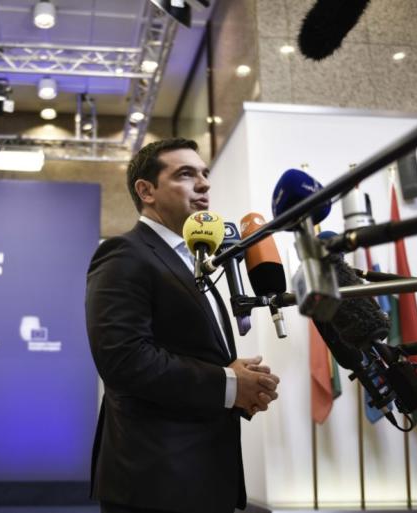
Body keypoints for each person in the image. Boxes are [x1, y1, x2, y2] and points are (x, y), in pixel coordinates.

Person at [85, 138, 281, 513]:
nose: (204, 183)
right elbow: (123, 360)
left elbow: (190, 353)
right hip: (154, 484)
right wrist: (228, 384)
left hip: (203, 478)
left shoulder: (193, 260)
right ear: (147, 191)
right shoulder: (124, 254)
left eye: (204, 173)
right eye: (186, 174)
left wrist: (239, 385)